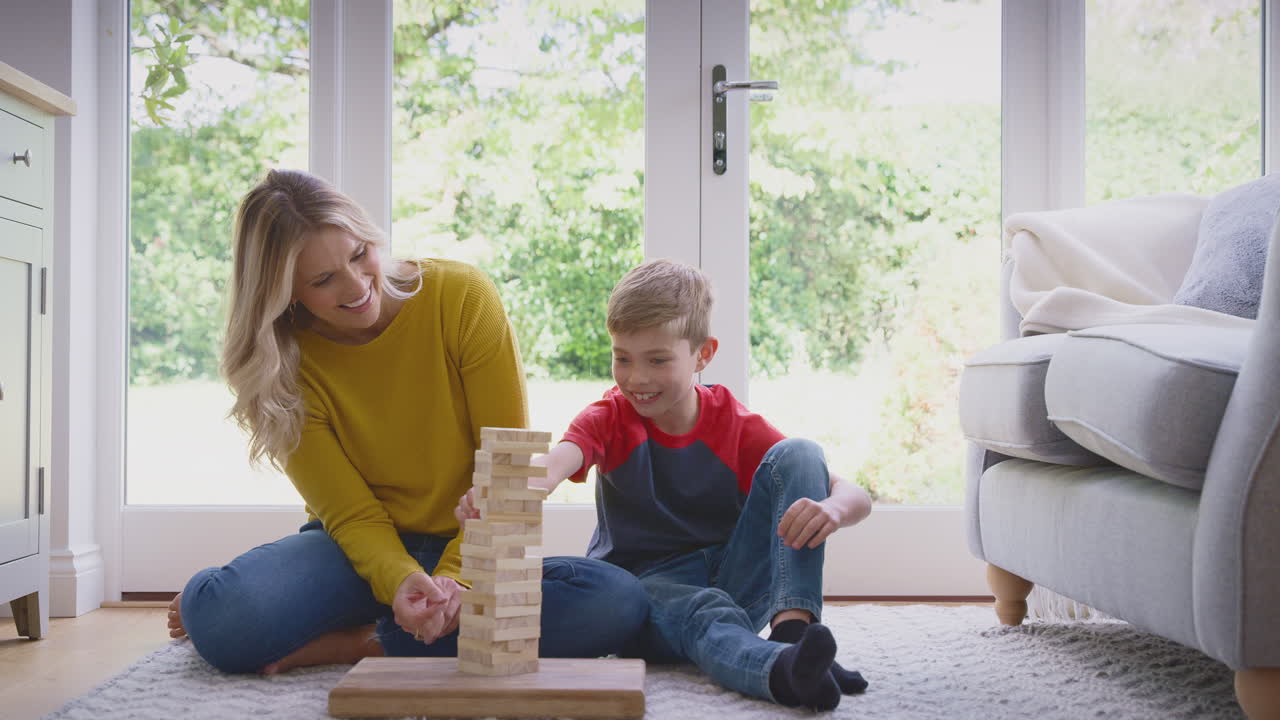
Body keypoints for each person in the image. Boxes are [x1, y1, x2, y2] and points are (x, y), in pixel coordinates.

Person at [165, 169, 648, 674]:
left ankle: (364, 643)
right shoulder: (282, 365)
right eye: (323, 280)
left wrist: (459, 581)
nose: (357, 287)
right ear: (286, 292)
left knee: (616, 602)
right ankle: (387, 617)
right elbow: (351, 516)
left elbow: (507, 475)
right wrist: (398, 580)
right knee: (223, 618)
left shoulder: (460, 297)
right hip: (354, 551)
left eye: (358, 255)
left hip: (472, 544)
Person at [457, 258, 875, 710]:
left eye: (658, 360)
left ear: (703, 354)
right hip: (649, 595)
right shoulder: (610, 416)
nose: (637, 378)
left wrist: (833, 510)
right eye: (622, 358)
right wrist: (508, 489)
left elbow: (853, 495)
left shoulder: (731, 423)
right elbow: (556, 464)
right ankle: (782, 671)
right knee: (705, 614)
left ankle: (793, 631)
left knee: (800, 452)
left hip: (733, 578)